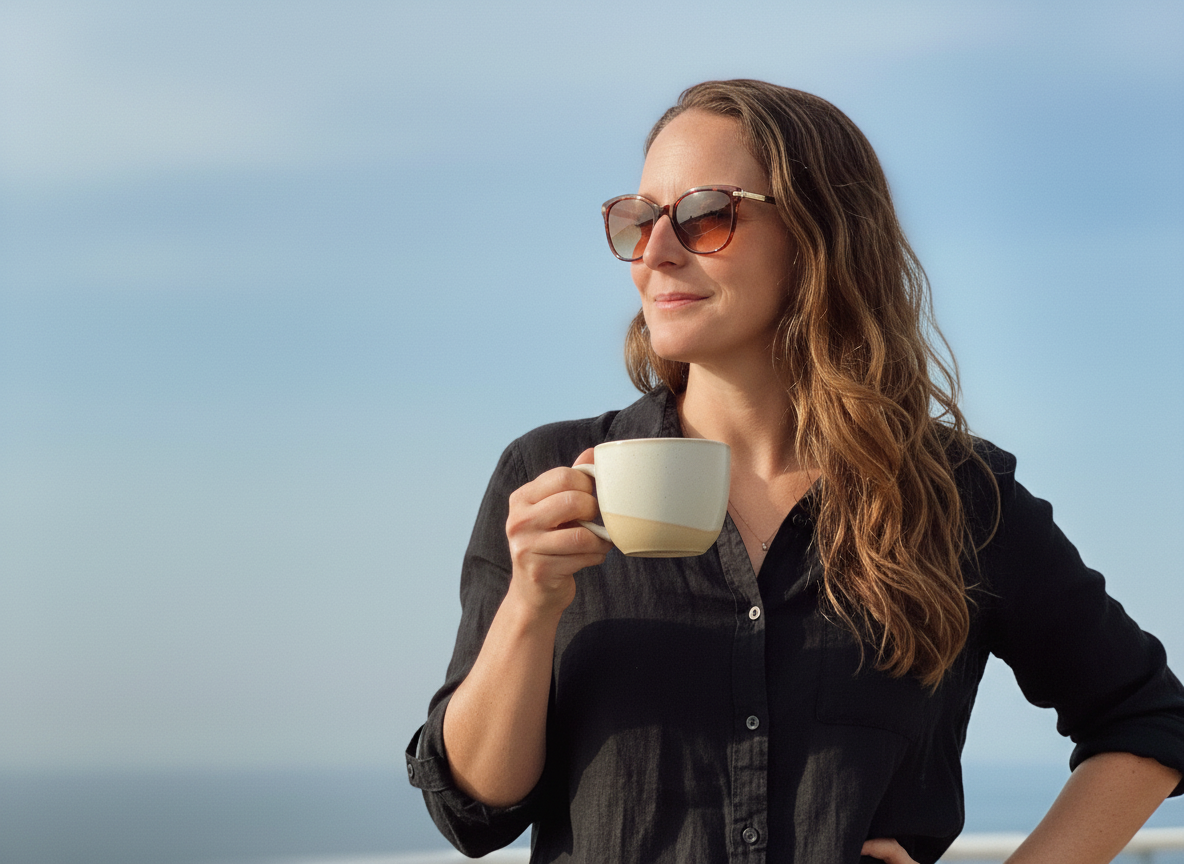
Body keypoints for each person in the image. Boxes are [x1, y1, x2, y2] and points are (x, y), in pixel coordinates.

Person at [405, 80, 1184, 864]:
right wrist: (530, 606)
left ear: (820, 233)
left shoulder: (956, 497)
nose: (656, 251)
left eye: (705, 214)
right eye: (638, 219)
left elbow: (1151, 718)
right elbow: (473, 810)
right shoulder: (548, 478)